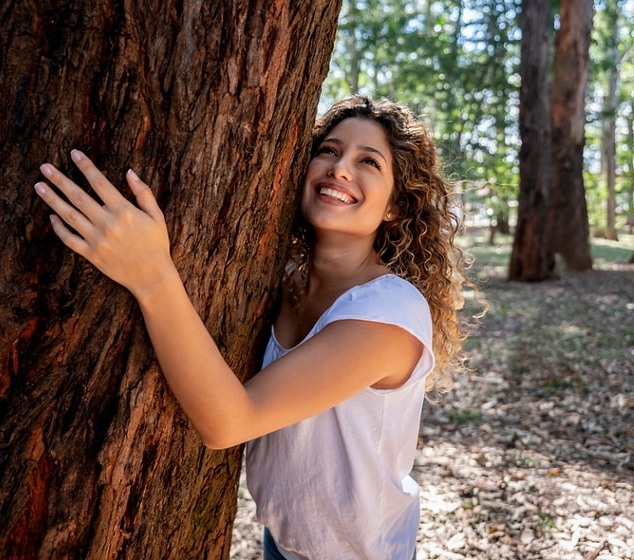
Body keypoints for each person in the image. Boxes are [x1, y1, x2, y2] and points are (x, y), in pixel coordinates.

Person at [32, 96, 472, 559]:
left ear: (395, 208)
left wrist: (151, 274)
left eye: (368, 162)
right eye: (329, 150)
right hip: (283, 542)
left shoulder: (390, 314)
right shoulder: (282, 281)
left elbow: (230, 422)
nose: (341, 168)